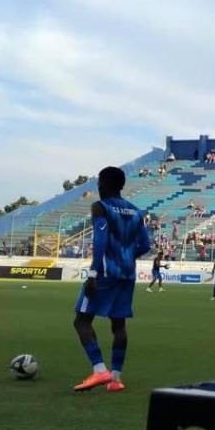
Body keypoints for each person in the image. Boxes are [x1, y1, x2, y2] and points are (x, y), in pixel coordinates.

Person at [72, 166, 151, 393]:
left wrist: (93, 273)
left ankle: (99, 370)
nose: (98, 186)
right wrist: (126, 257)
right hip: (127, 274)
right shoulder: (136, 211)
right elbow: (145, 245)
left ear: (104, 185)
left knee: (81, 320)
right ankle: (115, 379)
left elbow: (100, 240)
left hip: (106, 273)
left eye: (99, 182)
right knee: (119, 324)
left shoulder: (101, 207)